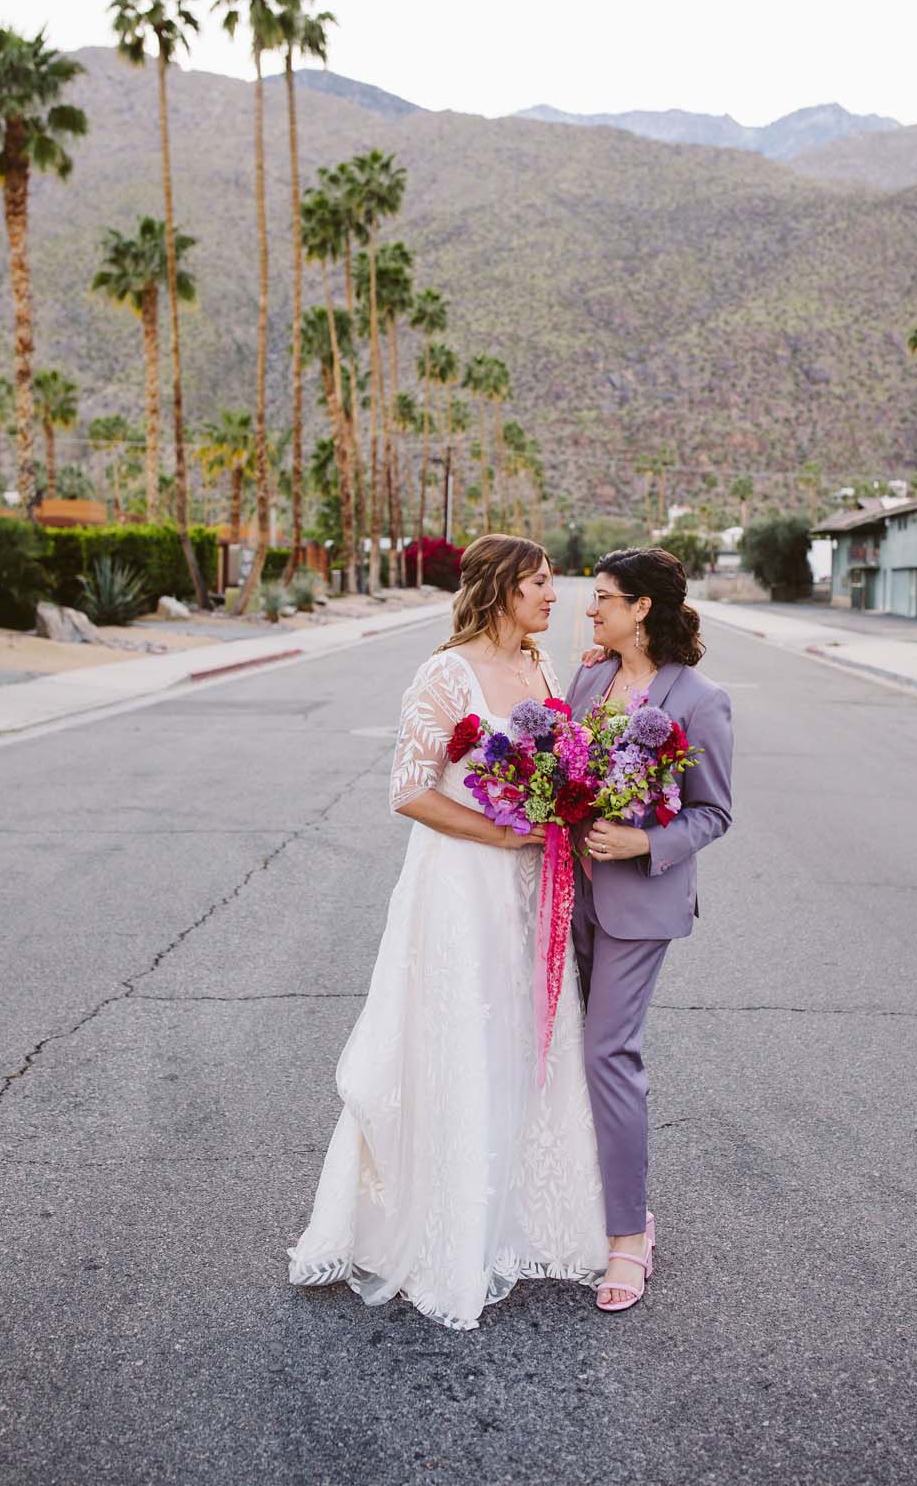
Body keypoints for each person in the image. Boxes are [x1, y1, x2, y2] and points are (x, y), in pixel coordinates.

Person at [288, 534, 607, 1330]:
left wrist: (555, 809)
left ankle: (525, 1214)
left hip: (532, 883)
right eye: (538, 583)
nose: (551, 597)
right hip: (462, 883)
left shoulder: (541, 667)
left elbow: (556, 766)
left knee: (528, 1032)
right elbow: (409, 791)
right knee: (465, 1034)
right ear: (501, 588)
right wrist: (503, 835)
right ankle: (447, 1225)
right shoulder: (445, 672)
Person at [567, 548, 733, 1312]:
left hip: (641, 904)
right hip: (572, 893)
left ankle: (630, 1237)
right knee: (573, 1046)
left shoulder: (700, 700)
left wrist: (645, 843)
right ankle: (577, 1200)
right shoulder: (590, 677)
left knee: (610, 1051)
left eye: (603, 598)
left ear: (642, 608)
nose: (590, 608)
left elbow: (713, 812)